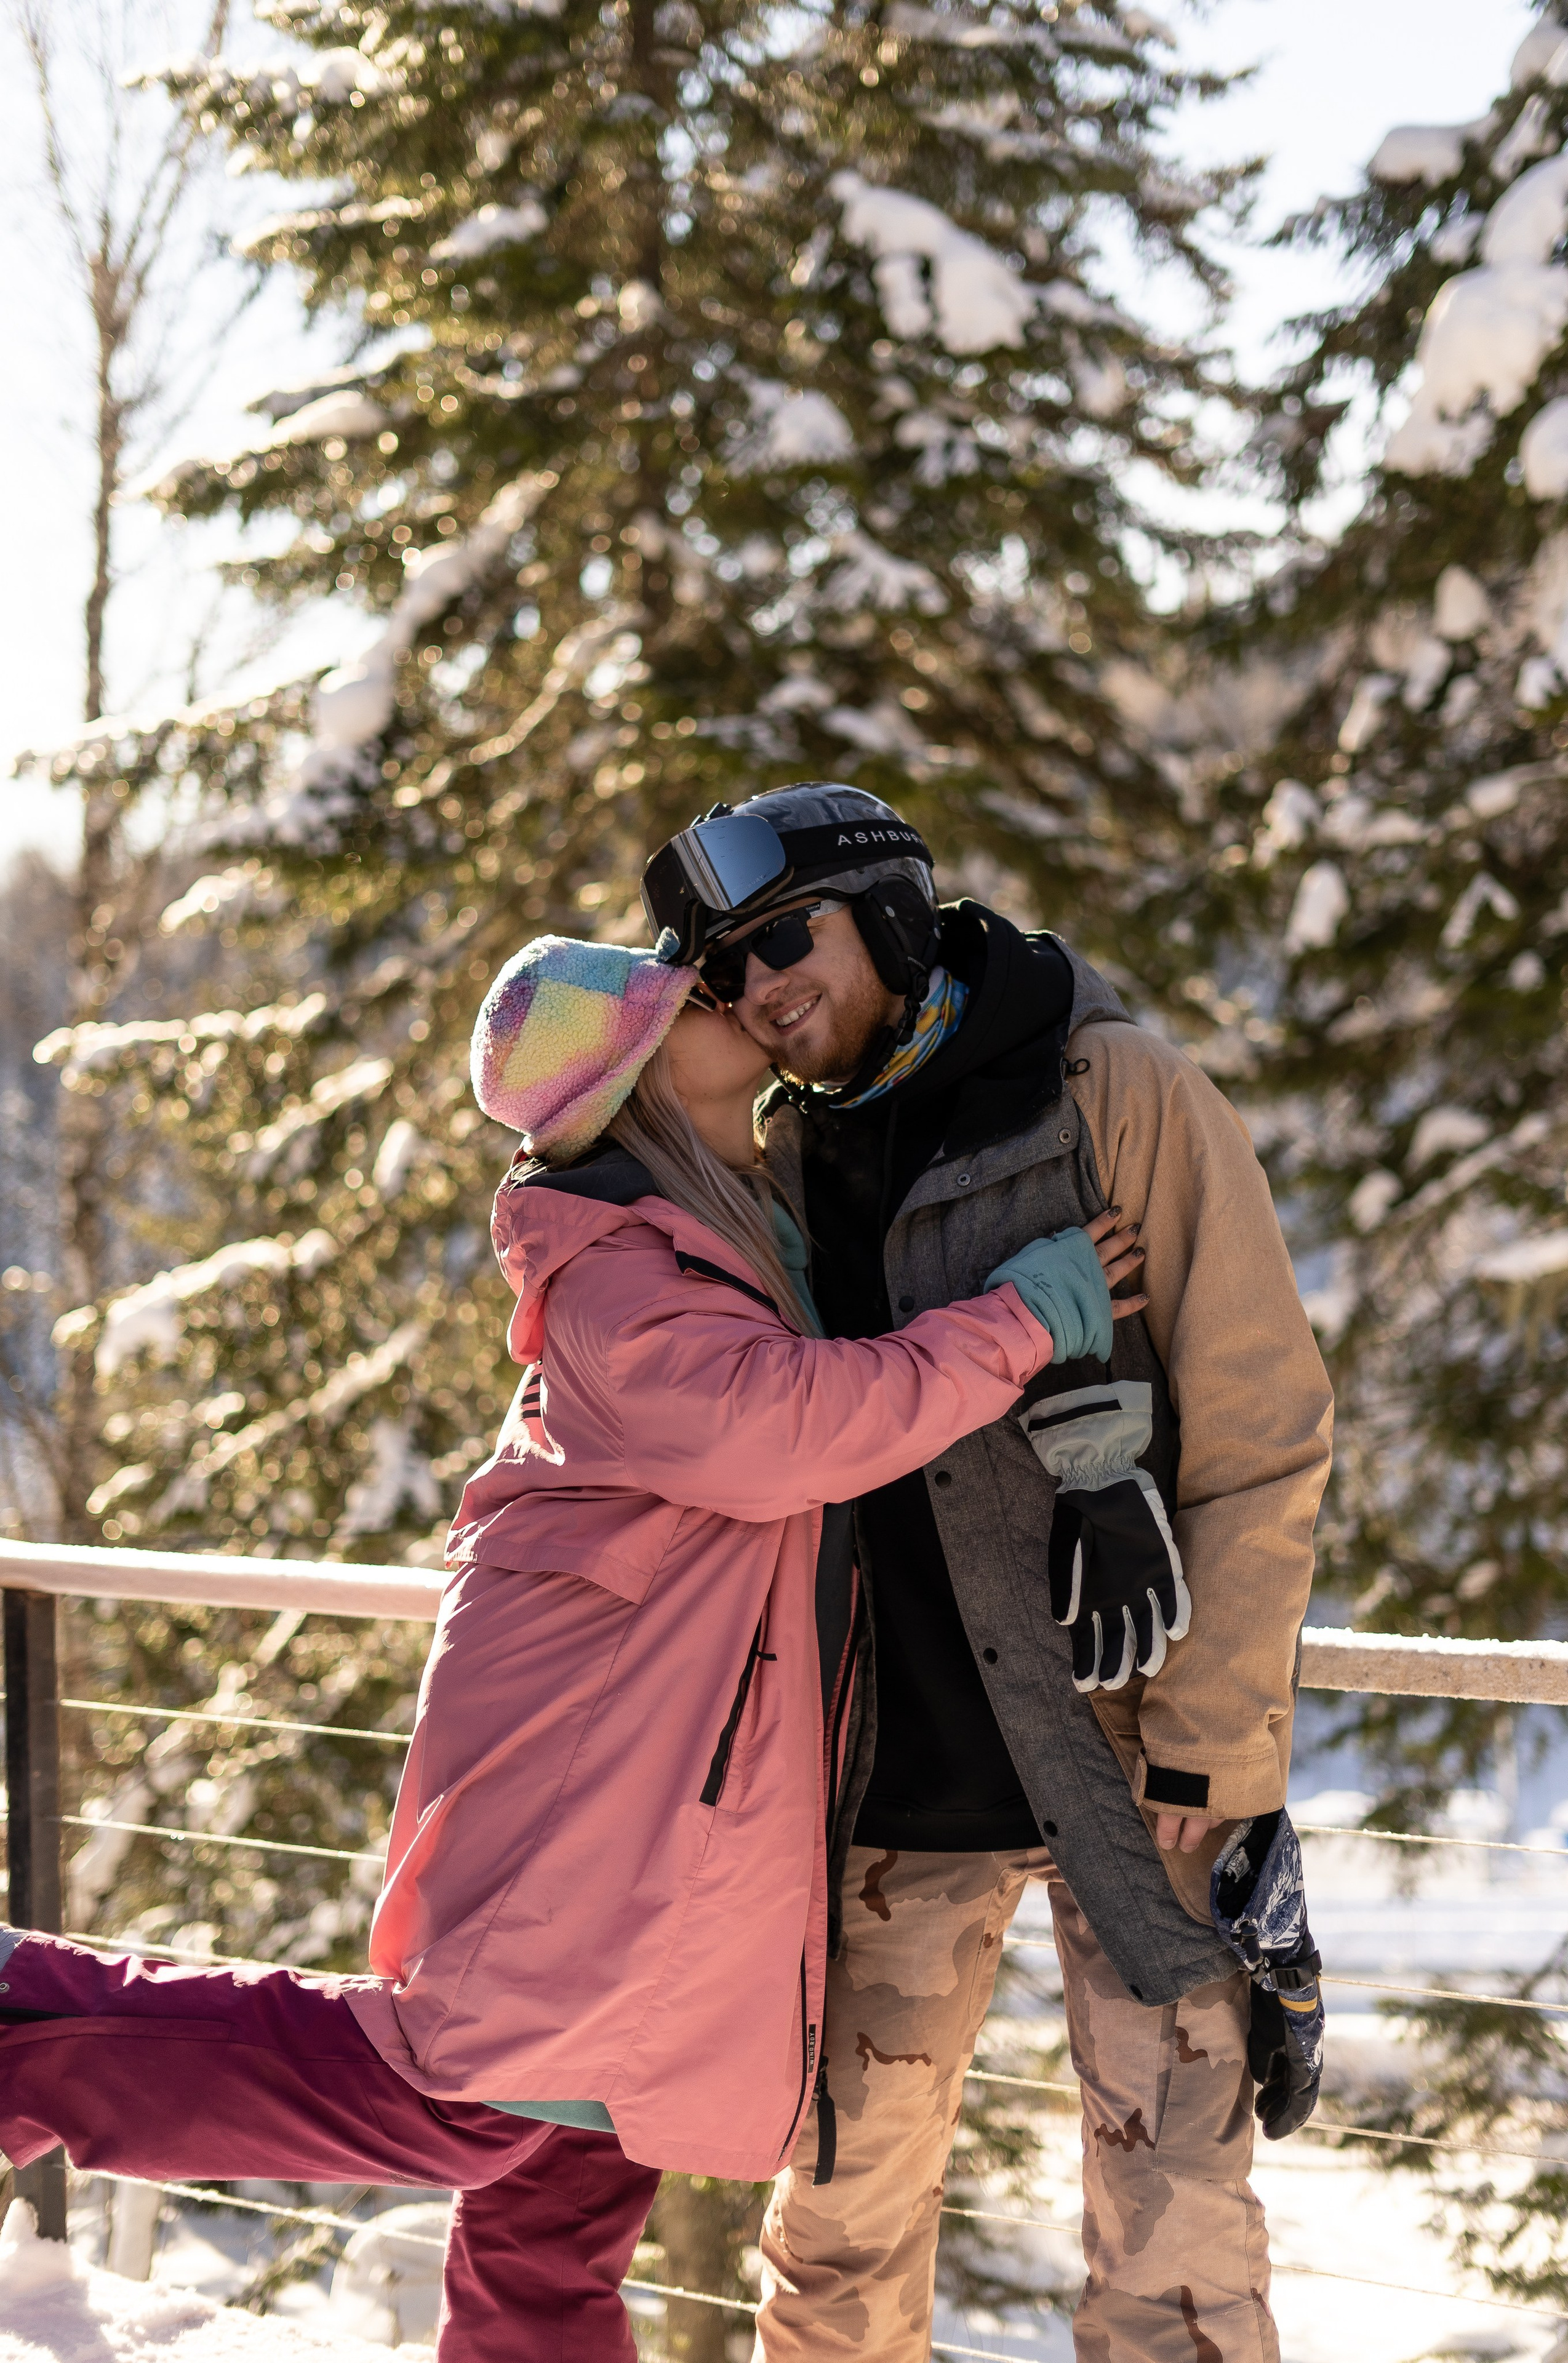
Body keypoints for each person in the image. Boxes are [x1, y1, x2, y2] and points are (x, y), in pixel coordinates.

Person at [0, 932, 1146, 2363]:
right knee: (463, 2104)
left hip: (673, 1782)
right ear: (644, 1076)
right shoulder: (618, 1263)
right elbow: (789, 1427)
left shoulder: (731, 1219)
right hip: (592, 1779)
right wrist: (1023, 1319)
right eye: (687, 1003)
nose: (726, 1001)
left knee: (571, 2184)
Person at [639, 785, 1334, 2363]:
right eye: (724, 974)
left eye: (779, 942)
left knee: (1178, 2262)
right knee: (832, 2248)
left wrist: (1217, 1745)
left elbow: (1264, 1425)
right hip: (894, 1780)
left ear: (885, 912)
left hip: (1134, 1771)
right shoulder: (775, 1162)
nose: (759, 992)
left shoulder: (1113, 1091)